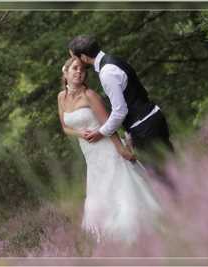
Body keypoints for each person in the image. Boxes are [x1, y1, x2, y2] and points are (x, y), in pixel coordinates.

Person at [57, 56, 161, 244]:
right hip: (91, 155)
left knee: (120, 189)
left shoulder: (90, 96)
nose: (79, 72)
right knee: (101, 192)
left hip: (108, 148)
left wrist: (121, 149)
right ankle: (111, 239)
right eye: (74, 68)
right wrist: (79, 133)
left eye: (82, 69)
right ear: (65, 72)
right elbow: (65, 127)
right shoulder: (61, 98)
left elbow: (107, 124)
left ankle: (138, 232)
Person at [68, 35, 175, 190]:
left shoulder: (107, 72)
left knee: (164, 178)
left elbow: (120, 111)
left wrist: (101, 132)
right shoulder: (112, 60)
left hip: (145, 127)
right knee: (172, 172)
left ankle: (188, 209)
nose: (75, 62)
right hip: (151, 118)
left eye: (74, 58)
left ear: (84, 57)